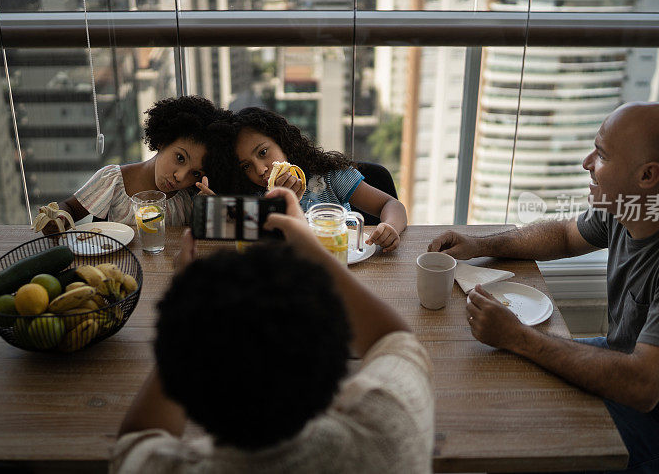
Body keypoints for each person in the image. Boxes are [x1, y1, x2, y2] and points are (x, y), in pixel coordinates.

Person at [429, 102, 659, 472]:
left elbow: (643, 386)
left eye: (602, 154)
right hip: (628, 360)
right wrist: (480, 244)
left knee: (529, 440)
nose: (587, 162)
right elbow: (562, 235)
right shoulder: (636, 205)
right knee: (511, 382)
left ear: (647, 175)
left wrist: (518, 337)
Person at [111, 187, 434, 473]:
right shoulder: (390, 431)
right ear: (336, 361)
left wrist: (185, 300)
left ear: (183, 388)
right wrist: (308, 243)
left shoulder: (155, 466)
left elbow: (135, 439)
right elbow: (395, 341)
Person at [202, 107, 407, 252]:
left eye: (263, 152)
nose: (261, 169)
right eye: (246, 166)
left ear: (282, 142)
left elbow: (392, 204)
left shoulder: (329, 175)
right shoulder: (253, 197)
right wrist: (218, 212)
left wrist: (390, 227)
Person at [37, 96, 223, 233]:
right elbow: (70, 207)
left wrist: (209, 212)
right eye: (180, 158)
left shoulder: (188, 199)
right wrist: (57, 219)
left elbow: (200, 245)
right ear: (163, 141)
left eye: (196, 174)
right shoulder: (113, 180)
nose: (181, 177)